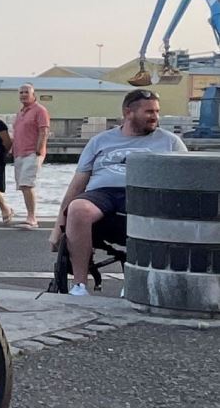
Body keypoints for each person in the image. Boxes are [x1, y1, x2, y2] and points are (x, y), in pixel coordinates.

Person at [50, 88, 187, 296]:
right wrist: (56, 229)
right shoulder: (100, 141)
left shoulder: (170, 142)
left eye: (157, 112)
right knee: (78, 208)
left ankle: (134, 281)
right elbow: (76, 186)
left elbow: (186, 181)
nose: (155, 117)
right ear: (128, 112)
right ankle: (79, 286)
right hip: (102, 194)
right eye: (149, 112)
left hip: (143, 194)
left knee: (149, 207)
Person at [11, 83, 50, 229]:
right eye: (21, 92)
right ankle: (28, 215)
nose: (23, 95)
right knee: (22, 186)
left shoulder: (40, 110)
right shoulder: (20, 112)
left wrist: (39, 150)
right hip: (19, 153)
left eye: (26, 92)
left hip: (32, 153)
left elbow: (44, 130)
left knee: (27, 184)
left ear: (34, 94)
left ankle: (32, 218)